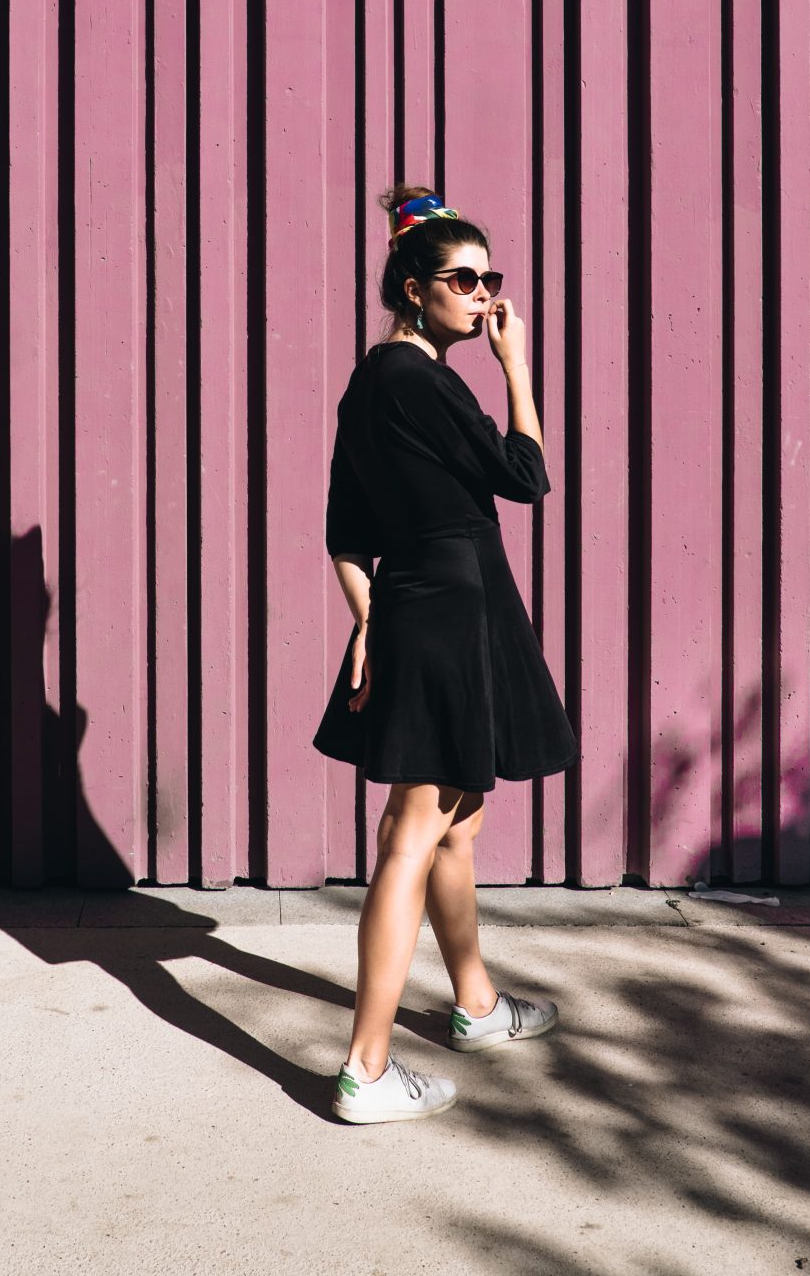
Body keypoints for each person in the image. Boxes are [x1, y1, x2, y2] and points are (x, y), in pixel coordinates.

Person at [313, 184, 578, 1125]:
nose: (483, 297)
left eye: (489, 280)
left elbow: (344, 532)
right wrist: (515, 365)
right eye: (463, 282)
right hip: (454, 606)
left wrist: (369, 619)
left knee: (454, 823)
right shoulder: (424, 379)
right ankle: (366, 1071)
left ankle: (473, 1006)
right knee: (410, 836)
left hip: (420, 607)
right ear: (413, 287)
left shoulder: (369, 381)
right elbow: (525, 474)